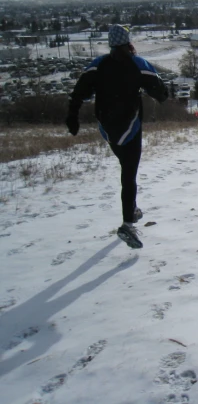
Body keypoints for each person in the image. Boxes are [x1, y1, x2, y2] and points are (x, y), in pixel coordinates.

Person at [65, 25, 169, 249]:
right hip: (130, 126)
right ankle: (127, 224)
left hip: (108, 128)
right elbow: (160, 91)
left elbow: (79, 91)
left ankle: (131, 210)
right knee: (129, 174)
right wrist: (158, 93)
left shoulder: (99, 65)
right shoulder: (137, 63)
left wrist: (73, 117)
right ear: (128, 41)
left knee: (125, 167)